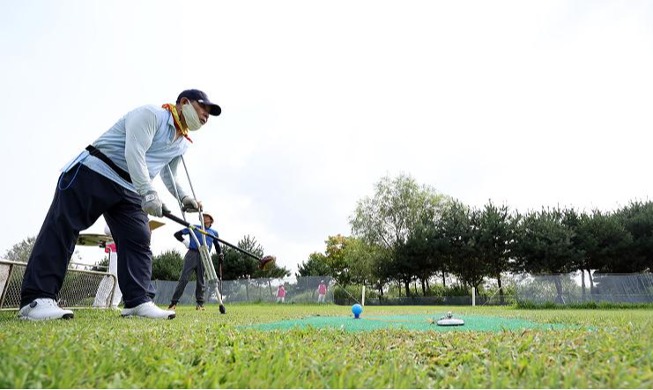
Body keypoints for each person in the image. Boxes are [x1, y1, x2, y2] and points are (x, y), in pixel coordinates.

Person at [18, 89, 221, 321]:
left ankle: (138, 302)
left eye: (209, 113)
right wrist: (149, 193)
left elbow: (169, 174)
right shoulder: (151, 115)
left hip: (130, 187)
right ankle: (37, 300)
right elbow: (134, 152)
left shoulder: (182, 143)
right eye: (203, 107)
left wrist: (184, 199)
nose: (206, 115)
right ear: (184, 102)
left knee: (139, 238)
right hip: (95, 170)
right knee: (63, 227)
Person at [168, 212, 221, 311]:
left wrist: (220, 254)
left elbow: (217, 245)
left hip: (204, 256)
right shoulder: (194, 227)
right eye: (202, 216)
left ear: (210, 220)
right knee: (184, 278)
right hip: (192, 254)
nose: (204, 218)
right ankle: (173, 303)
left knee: (201, 281)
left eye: (206, 217)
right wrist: (185, 242)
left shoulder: (214, 232)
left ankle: (200, 304)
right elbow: (177, 234)